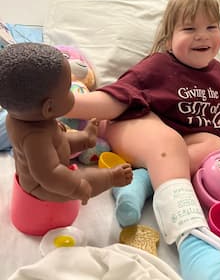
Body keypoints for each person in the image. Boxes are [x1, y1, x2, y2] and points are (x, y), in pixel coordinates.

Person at [67, 0, 220, 280]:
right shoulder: (158, 66)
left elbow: (216, 127)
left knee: (216, 148)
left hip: (170, 144)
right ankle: (195, 247)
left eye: (211, 27)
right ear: (168, 38)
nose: (202, 36)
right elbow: (115, 99)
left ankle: (144, 180)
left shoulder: (218, 75)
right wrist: (64, 104)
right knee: (170, 142)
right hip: (131, 122)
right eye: (189, 29)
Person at [0, 43, 132, 205]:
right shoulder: (35, 138)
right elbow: (49, 175)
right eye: (68, 89)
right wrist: (76, 187)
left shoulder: (22, 117)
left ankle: (86, 138)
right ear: (49, 108)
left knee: (61, 139)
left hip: (50, 157)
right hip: (40, 188)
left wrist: (58, 131)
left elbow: (55, 143)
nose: (71, 94)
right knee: (84, 178)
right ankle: (111, 177)